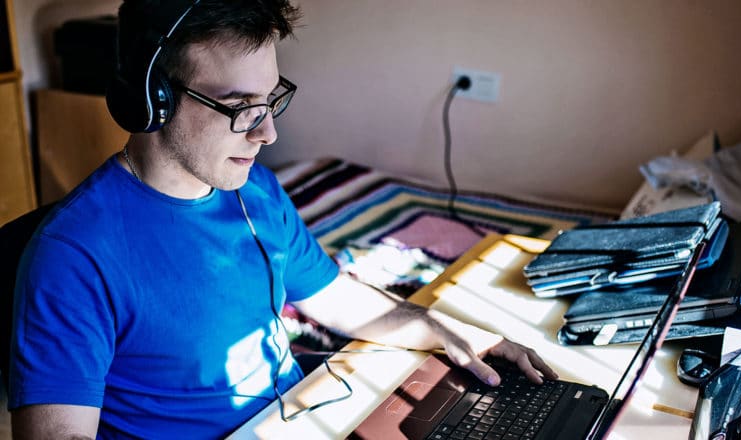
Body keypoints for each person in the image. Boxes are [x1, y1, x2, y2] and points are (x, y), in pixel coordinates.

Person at [8, 0, 557, 438]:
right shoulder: (74, 256)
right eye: (240, 106)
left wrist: (452, 333)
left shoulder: (257, 192)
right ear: (152, 100)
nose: (267, 133)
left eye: (272, 100)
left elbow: (336, 297)